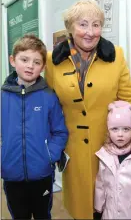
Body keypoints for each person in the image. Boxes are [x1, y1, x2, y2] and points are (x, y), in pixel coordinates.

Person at [45, 0, 131, 219]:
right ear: (70, 28)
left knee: (111, 206)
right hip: (72, 149)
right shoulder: (51, 61)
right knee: (81, 208)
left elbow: (130, 98)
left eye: (96, 25)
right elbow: (47, 104)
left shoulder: (116, 56)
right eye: (83, 24)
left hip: (110, 149)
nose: (90, 32)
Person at [1, 34, 68, 219]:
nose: (30, 66)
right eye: (24, 59)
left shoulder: (48, 96)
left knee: (42, 214)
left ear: (43, 67)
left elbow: (60, 131)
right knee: (19, 215)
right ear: (13, 61)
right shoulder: (2, 97)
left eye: (37, 62)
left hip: (42, 174)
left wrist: (49, 155)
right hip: (11, 174)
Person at [94, 100, 131, 219]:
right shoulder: (104, 155)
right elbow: (100, 183)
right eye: (115, 129)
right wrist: (98, 206)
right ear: (108, 130)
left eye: (126, 129)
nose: (120, 134)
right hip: (110, 214)